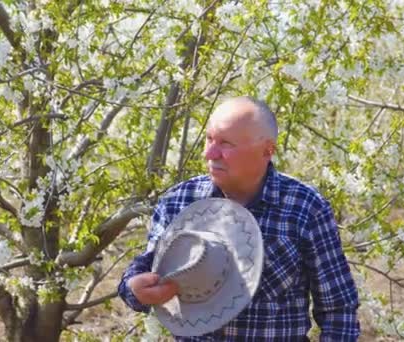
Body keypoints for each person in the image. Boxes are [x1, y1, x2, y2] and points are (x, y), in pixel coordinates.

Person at [118, 96, 360, 341]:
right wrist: (133, 289)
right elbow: (146, 269)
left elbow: (338, 310)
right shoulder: (178, 201)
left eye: (226, 143)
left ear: (268, 150)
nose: (209, 153)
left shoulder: (305, 208)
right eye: (209, 138)